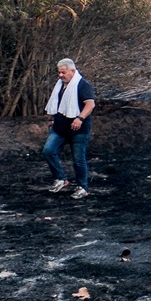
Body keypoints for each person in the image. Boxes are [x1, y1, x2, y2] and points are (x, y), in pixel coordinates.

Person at [42, 58, 96, 199]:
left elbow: (90, 104)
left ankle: (82, 187)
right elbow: (57, 104)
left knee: (78, 159)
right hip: (59, 127)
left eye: (63, 72)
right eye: (59, 72)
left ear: (72, 71)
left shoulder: (82, 85)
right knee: (48, 151)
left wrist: (80, 118)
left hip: (79, 129)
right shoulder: (60, 85)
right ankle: (61, 178)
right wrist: (52, 119)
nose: (60, 75)